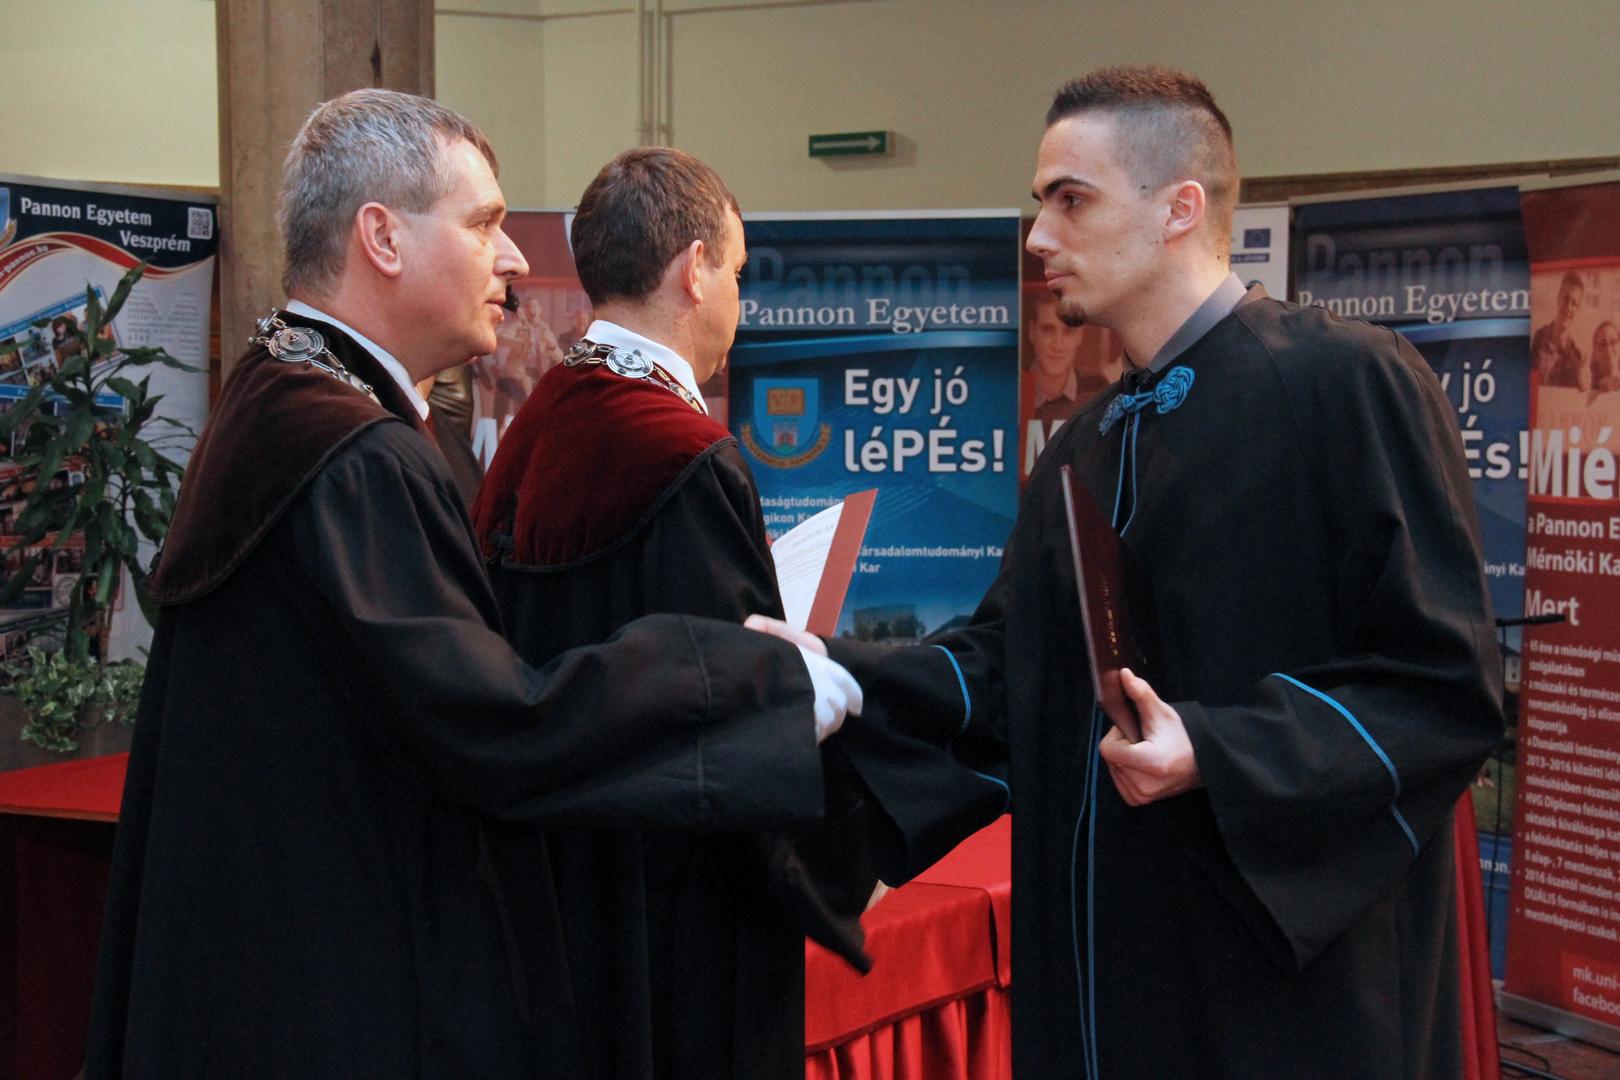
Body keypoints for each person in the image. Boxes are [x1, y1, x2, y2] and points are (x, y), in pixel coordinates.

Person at [84, 90, 867, 1080]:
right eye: (484, 223)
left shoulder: (286, 397)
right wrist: (739, 676)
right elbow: (494, 720)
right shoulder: (352, 453)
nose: (516, 260)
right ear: (383, 237)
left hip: (265, 966)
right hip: (339, 989)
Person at [753, 66, 1503, 1079]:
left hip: (1282, 985)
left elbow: (1443, 684)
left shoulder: (1348, 383)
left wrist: (1218, 750)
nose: (1039, 238)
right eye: (1040, 204)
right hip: (1105, 970)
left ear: (1178, 208)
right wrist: (831, 668)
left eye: (1072, 200)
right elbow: (1014, 669)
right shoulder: (1087, 443)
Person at [470, 147, 1005, 1079]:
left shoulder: (535, 425)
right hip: (677, 907)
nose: (740, 300)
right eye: (740, 273)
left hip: (548, 886)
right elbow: (734, 714)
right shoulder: (680, 451)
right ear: (694, 269)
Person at [1533, 269, 1586, 388]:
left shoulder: (1575, 355)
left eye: (1574, 304)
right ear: (1558, 299)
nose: (1568, 307)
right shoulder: (1539, 338)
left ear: (1578, 309)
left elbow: (1577, 392)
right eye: (1565, 299)